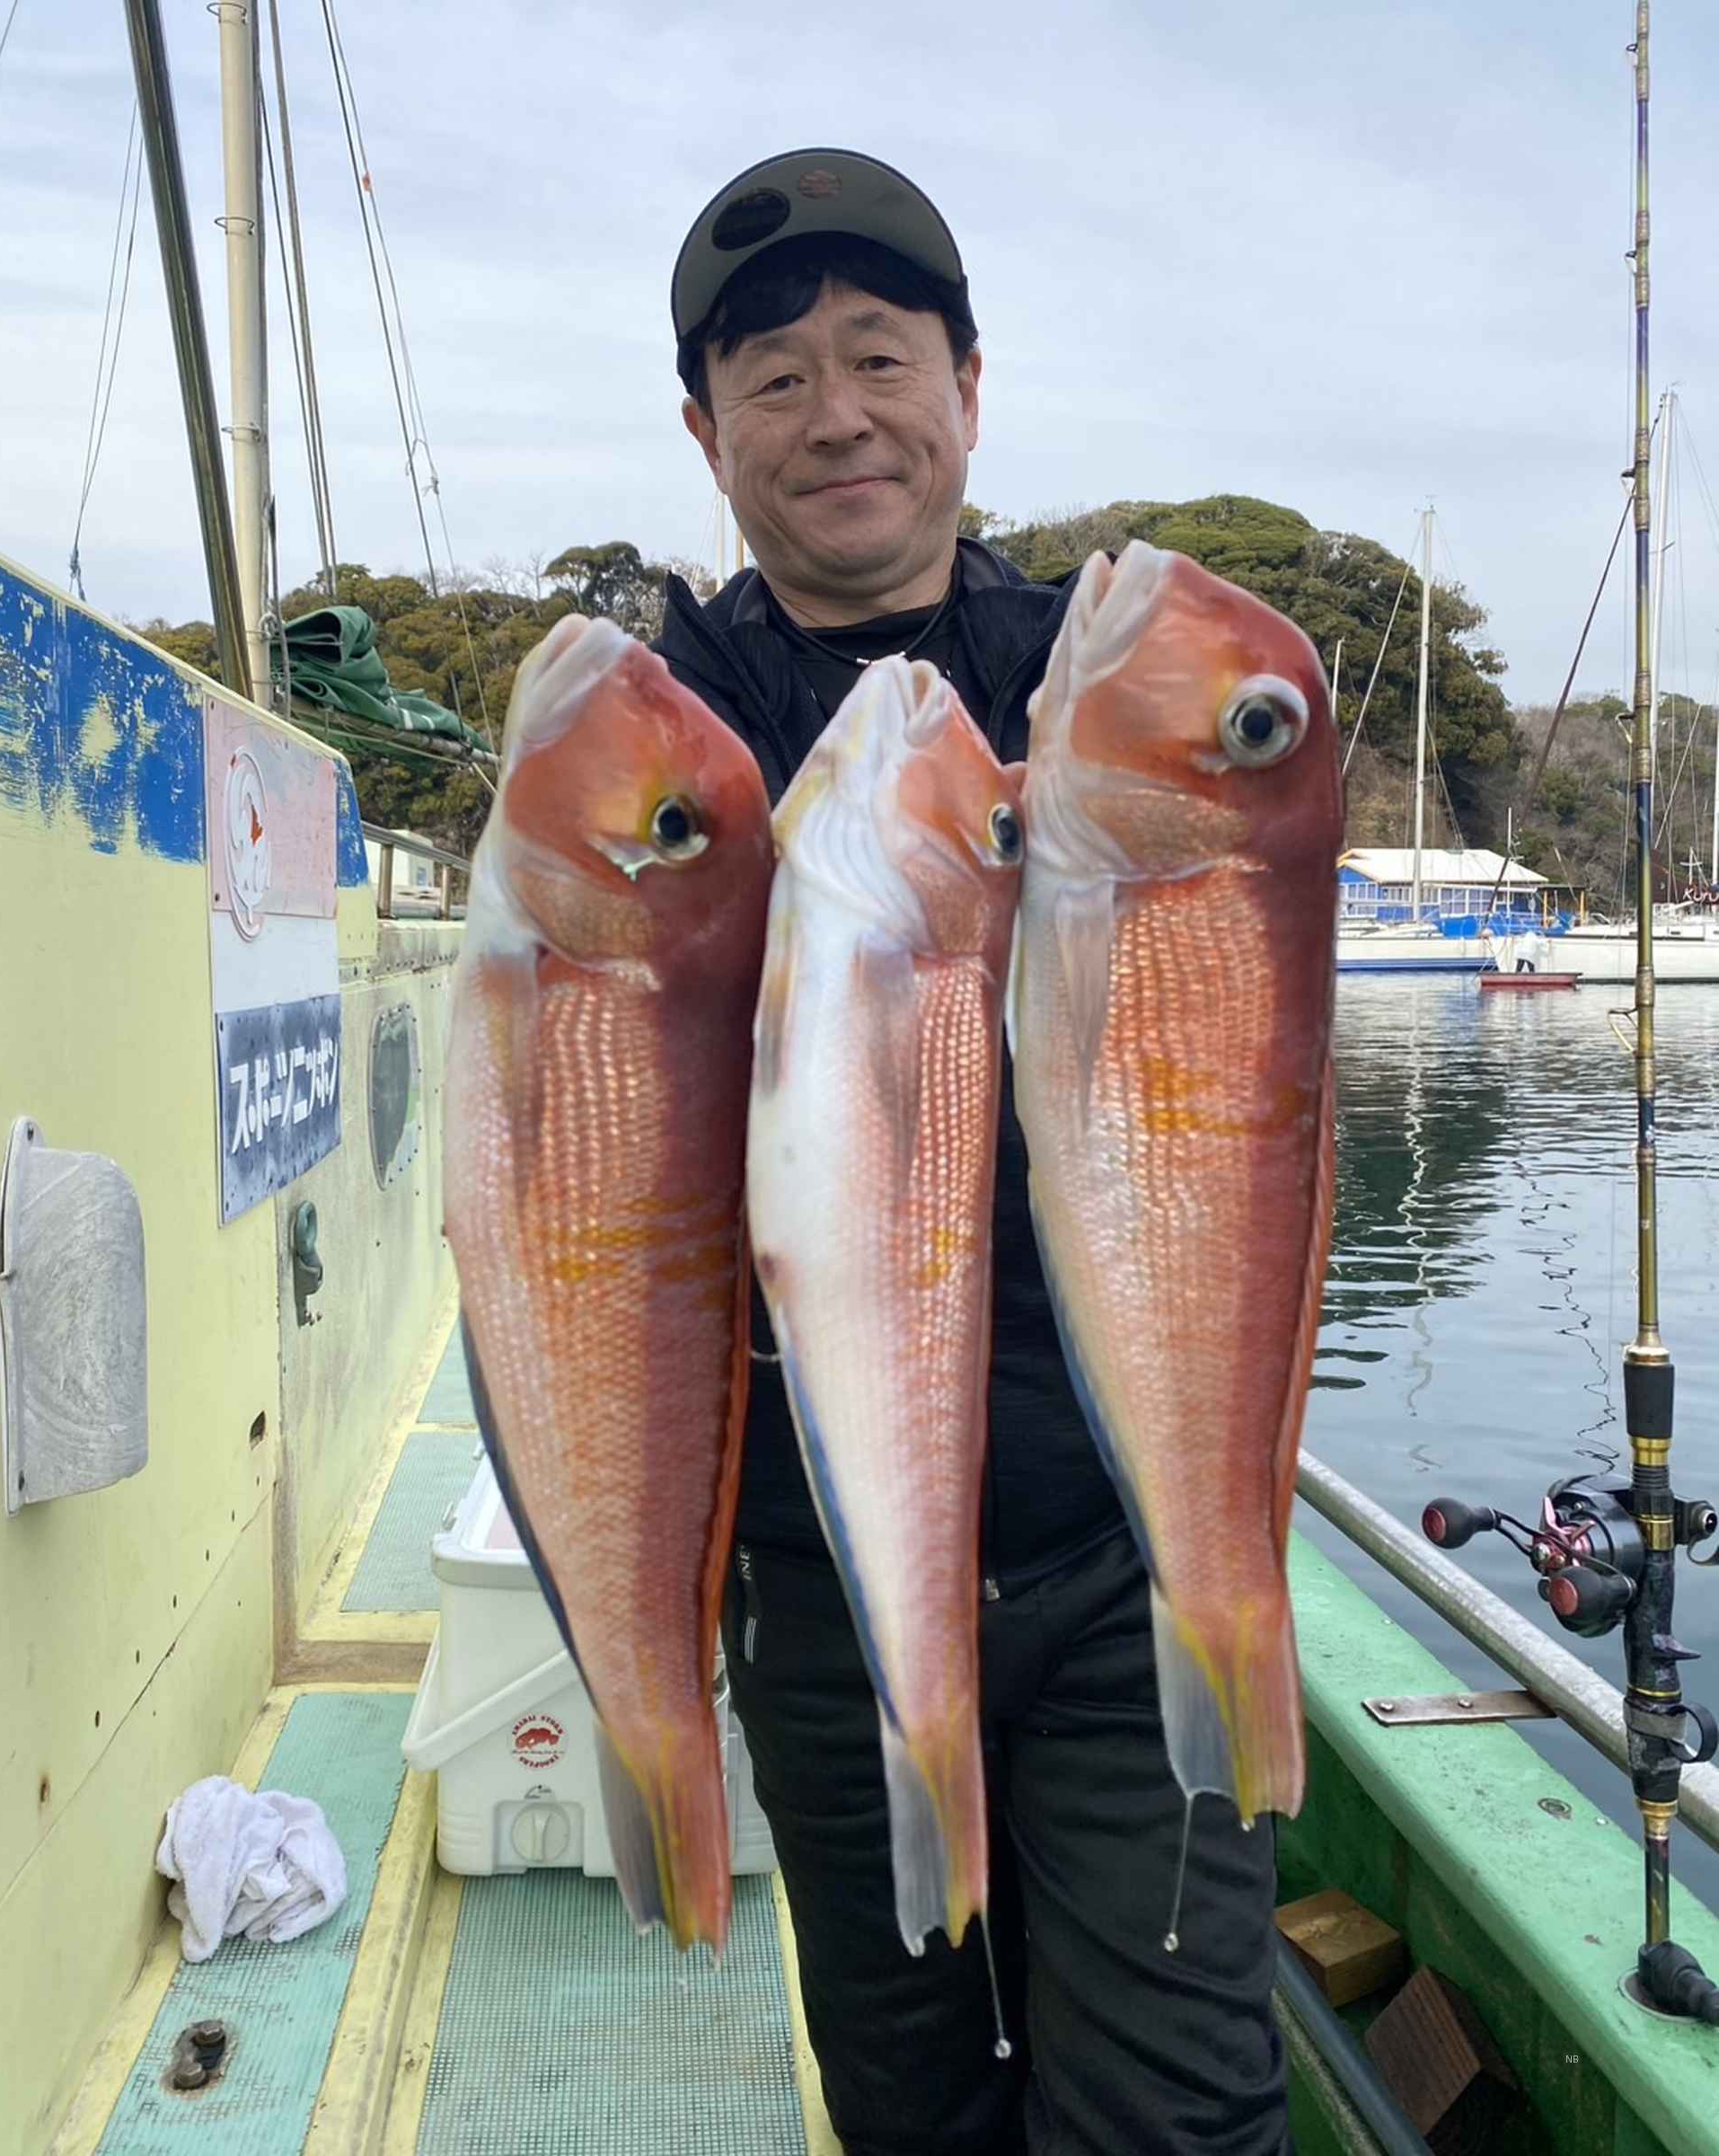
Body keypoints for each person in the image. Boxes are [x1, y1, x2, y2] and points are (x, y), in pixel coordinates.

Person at [653, 151, 1289, 2154]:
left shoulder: (1086, 693)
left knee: (1179, 2116)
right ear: (706, 434)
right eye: (773, 379)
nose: (836, 414)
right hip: (820, 1579)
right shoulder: (685, 744)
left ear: (970, 389)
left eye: (879, 357)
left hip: (1119, 1555)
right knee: (909, 2102)